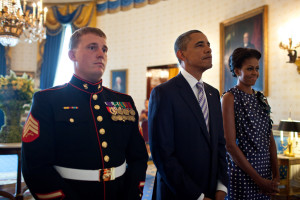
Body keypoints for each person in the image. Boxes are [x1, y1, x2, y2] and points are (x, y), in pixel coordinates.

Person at [21, 27, 148, 200]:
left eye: (104, 49)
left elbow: (138, 157)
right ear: (72, 55)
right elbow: (35, 165)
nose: (101, 54)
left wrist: (132, 193)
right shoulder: (47, 100)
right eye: (92, 47)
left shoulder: (124, 101)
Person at [148, 30, 228, 200]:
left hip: (213, 191)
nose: (208, 49)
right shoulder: (164, 93)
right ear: (181, 54)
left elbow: (220, 144)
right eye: (200, 45)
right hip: (179, 193)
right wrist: (197, 196)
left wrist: (222, 187)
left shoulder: (213, 94)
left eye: (209, 45)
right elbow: (163, 154)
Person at [221, 48, 279, 199]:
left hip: (265, 171)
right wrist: (258, 180)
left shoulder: (262, 99)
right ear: (237, 70)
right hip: (242, 173)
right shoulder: (229, 98)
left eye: (257, 68)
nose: (255, 73)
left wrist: (276, 175)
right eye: (250, 68)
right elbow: (230, 145)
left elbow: (270, 139)